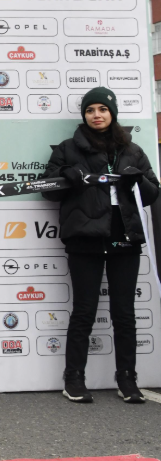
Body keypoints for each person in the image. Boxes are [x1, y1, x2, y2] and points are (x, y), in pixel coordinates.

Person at [42, 87, 158, 404]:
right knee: (84, 312)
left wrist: (138, 180)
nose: (97, 115)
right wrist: (66, 175)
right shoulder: (68, 149)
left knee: (124, 314)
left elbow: (152, 194)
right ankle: (74, 379)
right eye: (90, 110)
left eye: (103, 109)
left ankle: (127, 380)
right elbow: (48, 190)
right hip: (85, 239)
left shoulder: (132, 150)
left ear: (112, 113)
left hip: (125, 237)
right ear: (84, 115)